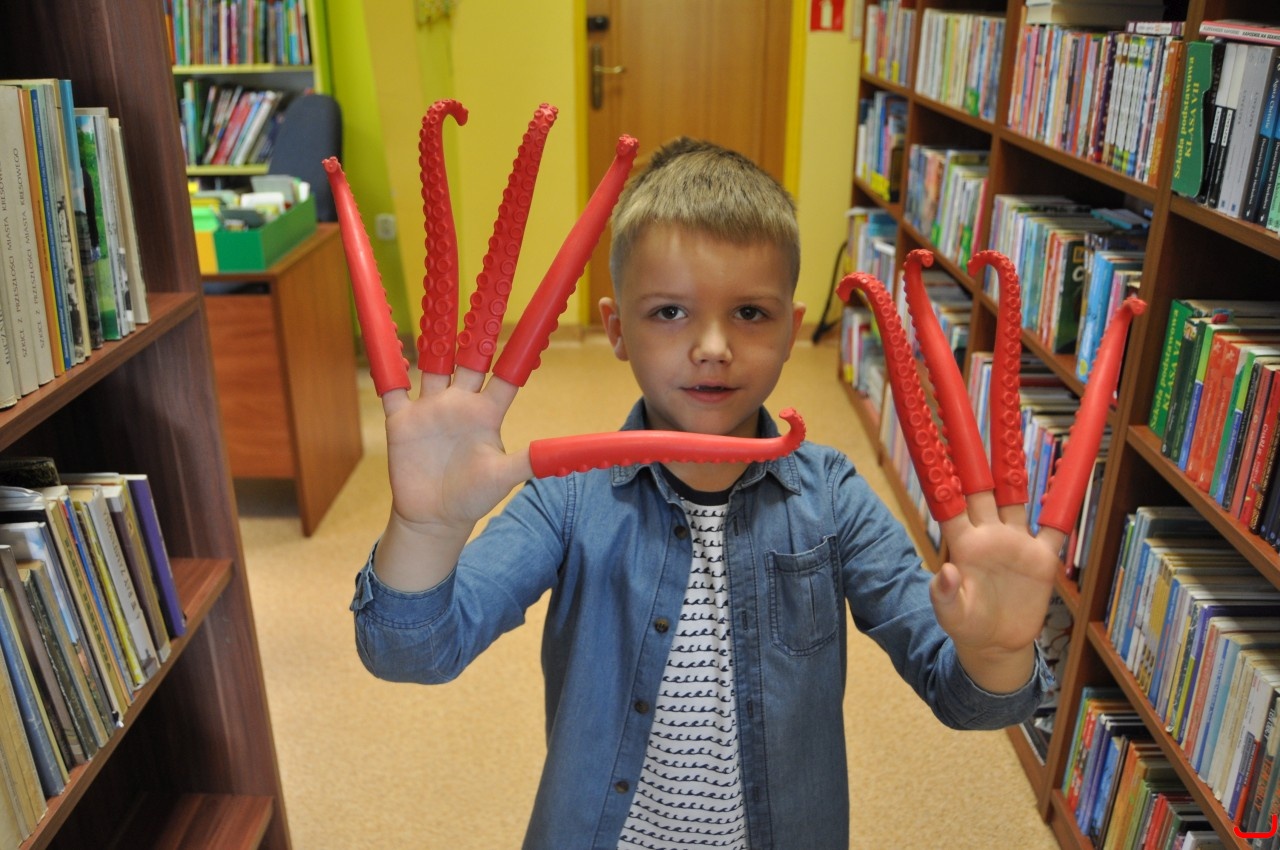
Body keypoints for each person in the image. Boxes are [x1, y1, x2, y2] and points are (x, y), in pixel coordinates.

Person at [350, 137, 1059, 849]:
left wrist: (997, 651)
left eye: (750, 313)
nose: (713, 346)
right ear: (616, 328)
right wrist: (426, 531)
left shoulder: (834, 497)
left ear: (792, 330)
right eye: (670, 312)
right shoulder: (566, 497)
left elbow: (967, 700)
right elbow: (413, 653)